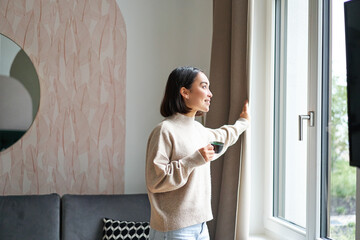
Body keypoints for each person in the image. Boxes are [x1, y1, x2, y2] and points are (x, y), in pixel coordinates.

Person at [146, 66, 249, 240]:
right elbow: (156, 181)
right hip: (174, 230)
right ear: (185, 92)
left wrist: (243, 122)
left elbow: (223, 135)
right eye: (204, 86)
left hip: (201, 228)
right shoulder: (164, 130)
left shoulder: (199, 130)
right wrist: (193, 160)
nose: (210, 94)